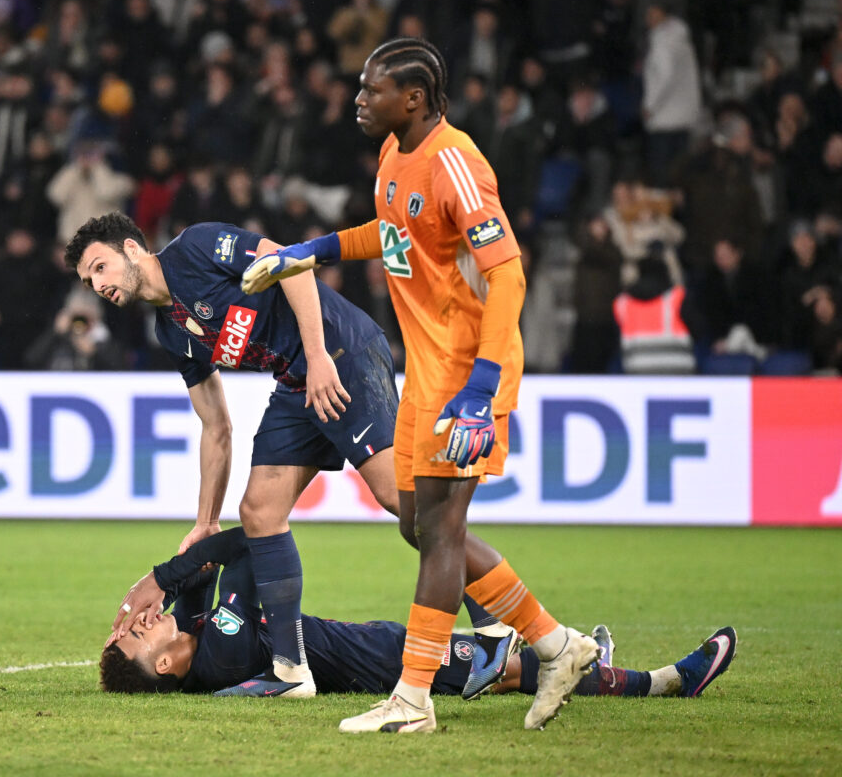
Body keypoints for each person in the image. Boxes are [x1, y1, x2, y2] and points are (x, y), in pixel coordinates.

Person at [242, 37, 599, 732]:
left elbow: (509, 272)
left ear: (412, 98)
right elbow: (391, 232)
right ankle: (557, 645)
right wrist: (308, 252)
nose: (357, 100)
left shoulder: (457, 162)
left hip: (468, 373)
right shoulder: (395, 154)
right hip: (427, 369)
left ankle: (412, 700)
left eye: (371, 90)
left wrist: (482, 386)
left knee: (439, 530)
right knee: (415, 523)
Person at [67, 212, 515, 703]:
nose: (97, 285)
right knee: (259, 511)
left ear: (132, 249)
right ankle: (291, 670)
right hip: (296, 383)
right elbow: (216, 426)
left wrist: (319, 355)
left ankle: (495, 627)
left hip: (339, 352)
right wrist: (204, 521)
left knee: (399, 500)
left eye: (99, 267)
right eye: (89, 279)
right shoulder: (173, 332)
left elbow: (293, 265)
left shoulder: (195, 249)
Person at [100, 528, 737, 707]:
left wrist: (173, 576)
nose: (138, 622)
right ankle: (666, 681)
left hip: (379, 643)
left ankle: (561, 642)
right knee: (518, 669)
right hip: (391, 664)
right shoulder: (225, 653)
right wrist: (169, 575)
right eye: (136, 637)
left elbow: (195, 575)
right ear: (162, 664)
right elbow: (243, 545)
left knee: (454, 560)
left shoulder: (196, 644)